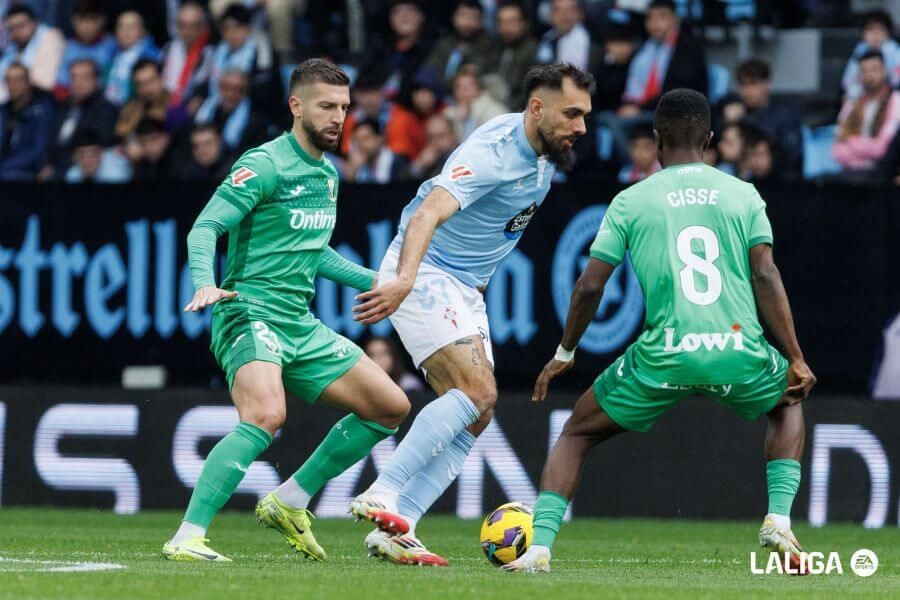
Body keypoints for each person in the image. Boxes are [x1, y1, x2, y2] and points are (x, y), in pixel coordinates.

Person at [502, 88, 816, 573]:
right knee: (789, 401)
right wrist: (794, 355)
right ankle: (777, 518)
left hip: (663, 354)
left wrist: (566, 350)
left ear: (655, 139)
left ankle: (539, 548)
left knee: (575, 434)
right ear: (710, 138)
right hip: (737, 348)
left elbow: (589, 286)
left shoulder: (631, 200)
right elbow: (766, 276)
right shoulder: (743, 194)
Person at [162, 58, 410, 563]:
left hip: (299, 321)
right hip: (247, 311)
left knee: (390, 408)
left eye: (344, 107)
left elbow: (313, 252)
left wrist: (384, 282)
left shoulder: (328, 173)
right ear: (296, 106)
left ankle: (289, 500)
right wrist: (206, 283)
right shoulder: (265, 164)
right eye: (327, 106)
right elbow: (204, 228)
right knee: (266, 414)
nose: (339, 117)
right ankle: (187, 535)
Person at [348, 62, 594, 566]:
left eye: (585, 115)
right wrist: (405, 281)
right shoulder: (493, 152)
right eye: (572, 114)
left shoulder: (547, 154)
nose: (582, 128)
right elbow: (427, 212)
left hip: (463, 287)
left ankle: (400, 527)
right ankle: (384, 491)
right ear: (537, 108)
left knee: (478, 415)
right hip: (424, 268)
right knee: (477, 392)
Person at [716, 59, 802, 177]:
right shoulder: (730, 108)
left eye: (753, 83)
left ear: (767, 84)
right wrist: (725, 122)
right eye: (743, 84)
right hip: (737, 176)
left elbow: (792, 155)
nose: (748, 91)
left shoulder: (784, 114)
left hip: (776, 179)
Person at [619, 0, 707, 115]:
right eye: (650, 18)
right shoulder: (644, 49)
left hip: (680, 115)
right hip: (647, 110)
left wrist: (641, 109)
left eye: (662, 16)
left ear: (675, 20)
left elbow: (678, 93)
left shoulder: (688, 49)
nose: (655, 23)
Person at [39, 58, 118, 180]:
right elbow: (47, 140)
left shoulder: (106, 109)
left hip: (79, 169)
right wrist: (45, 164)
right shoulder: (62, 106)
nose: (78, 82)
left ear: (96, 81)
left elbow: (93, 148)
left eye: (85, 77)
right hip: (52, 167)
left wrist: (55, 169)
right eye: (74, 77)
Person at [206, 3, 282, 117]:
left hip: (257, 110)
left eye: (237, 27)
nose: (232, 33)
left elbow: (267, 88)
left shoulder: (263, 50)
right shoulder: (219, 51)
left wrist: (237, 89)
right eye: (227, 28)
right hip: (221, 107)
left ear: (248, 28)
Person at [833, 51, 900, 173]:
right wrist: (864, 159)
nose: (870, 75)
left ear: (884, 70)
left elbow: (883, 149)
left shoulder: (895, 101)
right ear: (859, 75)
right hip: (851, 173)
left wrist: (851, 141)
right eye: (865, 71)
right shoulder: (852, 103)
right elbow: (837, 151)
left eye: (874, 70)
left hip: (884, 174)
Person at [340, 71, 424, 160]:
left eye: (372, 92)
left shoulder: (401, 118)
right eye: (362, 93)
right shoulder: (351, 120)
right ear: (354, 95)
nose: (367, 99)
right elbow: (349, 153)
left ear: (382, 92)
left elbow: (397, 157)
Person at [194, 69, 272, 151]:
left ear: (245, 92)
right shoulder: (207, 111)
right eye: (227, 88)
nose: (231, 94)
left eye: (238, 89)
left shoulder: (256, 122)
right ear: (220, 88)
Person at [0, 62, 54, 180]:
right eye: (9, 80)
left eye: (18, 80)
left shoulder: (41, 111)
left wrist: (4, 166)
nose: (13, 85)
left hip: (27, 173)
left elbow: (37, 150)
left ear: (28, 82)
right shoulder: (3, 111)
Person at [0, 5, 65, 103]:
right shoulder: (13, 47)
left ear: (34, 23)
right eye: (11, 29)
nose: (16, 32)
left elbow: (44, 82)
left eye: (21, 26)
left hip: (42, 103)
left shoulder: (51, 37)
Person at [115, 59, 189, 141]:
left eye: (151, 81)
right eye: (140, 84)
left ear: (161, 78)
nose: (147, 89)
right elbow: (119, 131)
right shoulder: (132, 107)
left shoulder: (176, 104)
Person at [55, 0, 117, 98]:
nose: (86, 26)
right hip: (74, 101)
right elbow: (61, 86)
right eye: (81, 19)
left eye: (91, 19)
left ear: (102, 20)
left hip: (105, 99)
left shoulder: (113, 45)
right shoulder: (69, 47)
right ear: (73, 21)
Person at [484, 1, 538, 110]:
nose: (506, 28)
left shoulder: (533, 50)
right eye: (502, 22)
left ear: (524, 24)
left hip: (516, 110)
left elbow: (531, 90)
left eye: (512, 22)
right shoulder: (493, 47)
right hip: (488, 102)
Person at [424, 0, 493, 86]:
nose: (467, 22)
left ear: (481, 21)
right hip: (440, 93)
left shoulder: (488, 45)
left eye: (473, 17)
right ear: (454, 17)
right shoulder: (444, 43)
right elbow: (429, 71)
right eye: (463, 15)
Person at [160, 2, 212, 113]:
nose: (187, 32)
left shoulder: (209, 54)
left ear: (202, 27)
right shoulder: (168, 49)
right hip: (163, 104)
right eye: (182, 25)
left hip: (190, 111)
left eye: (193, 26)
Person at [104, 11, 160, 107]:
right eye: (121, 27)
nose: (126, 31)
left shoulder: (153, 57)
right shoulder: (111, 54)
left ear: (142, 31)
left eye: (132, 27)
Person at [841, 10, 900, 101]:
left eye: (880, 29)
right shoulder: (860, 50)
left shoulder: (894, 51)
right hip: (865, 98)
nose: (875, 35)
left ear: (888, 33)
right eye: (870, 29)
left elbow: (896, 80)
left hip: (890, 98)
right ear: (863, 33)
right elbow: (848, 81)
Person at [443, 68, 508, 142]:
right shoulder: (452, 114)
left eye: (470, 84)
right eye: (459, 86)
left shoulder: (492, 109)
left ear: (479, 88)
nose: (465, 89)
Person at [342, 117, 410, 183]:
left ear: (379, 139)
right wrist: (351, 174)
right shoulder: (356, 165)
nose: (361, 144)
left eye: (365, 138)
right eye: (357, 140)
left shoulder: (397, 163)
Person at [535, 0, 598, 72]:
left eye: (569, 10)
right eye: (558, 10)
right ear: (551, 15)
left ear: (580, 13)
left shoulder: (593, 40)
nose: (564, 15)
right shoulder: (546, 39)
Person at [64, 129, 132, 183]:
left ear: (102, 153)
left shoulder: (116, 175)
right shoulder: (72, 174)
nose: (87, 160)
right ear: (74, 157)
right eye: (82, 156)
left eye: (93, 154)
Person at [408, 113, 459, 180]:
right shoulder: (428, 162)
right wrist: (420, 165)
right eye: (431, 137)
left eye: (441, 135)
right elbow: (401, 184)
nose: (436, 141)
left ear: (453, 135)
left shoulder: (462, 157)